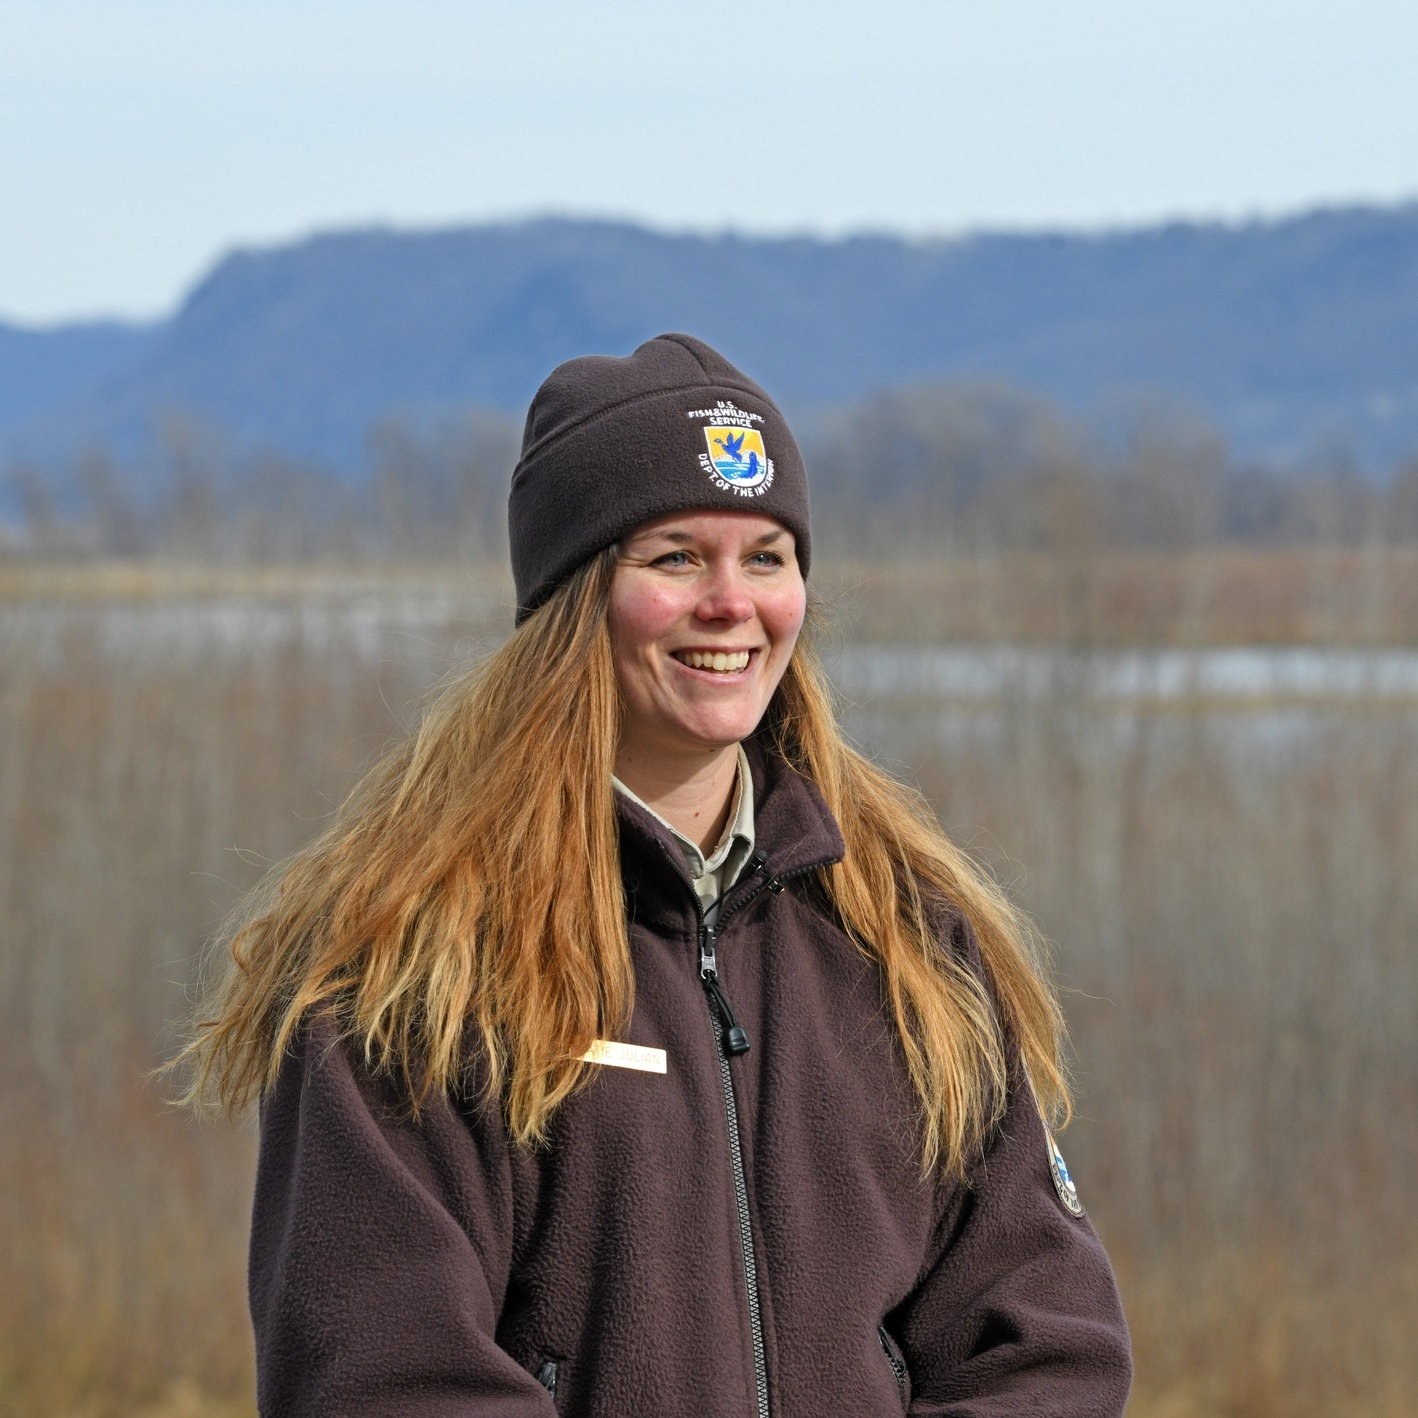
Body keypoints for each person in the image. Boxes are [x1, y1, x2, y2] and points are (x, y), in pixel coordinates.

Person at [182, 333, 1132, 1416]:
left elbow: (1047, 1347)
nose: (730, 603)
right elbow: (383, 1380)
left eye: (766, 557)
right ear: (574, 597)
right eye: (675, 557)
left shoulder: (905, 940)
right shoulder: (416, 958)